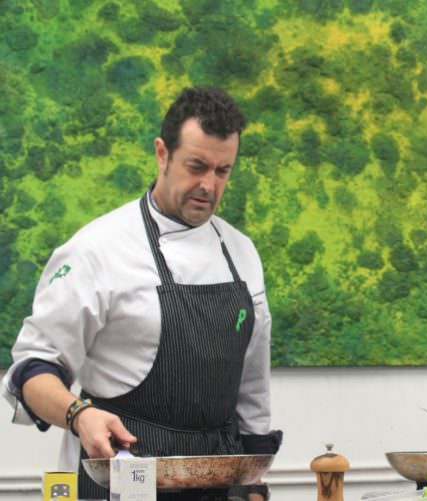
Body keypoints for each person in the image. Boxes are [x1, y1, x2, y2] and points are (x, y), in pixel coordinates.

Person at [2, 87, 279, 500]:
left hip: (217, 481)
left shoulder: (241, 253)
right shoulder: (97, 250)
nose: (209, 185)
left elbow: (252, 390)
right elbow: (31, 370)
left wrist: (254, 483)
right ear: (162, 154)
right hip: (123, 475)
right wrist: (80, 415)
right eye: (197, 166)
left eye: (223, 171)